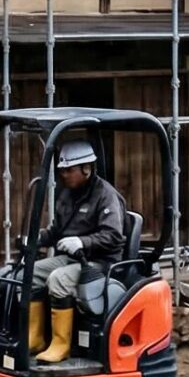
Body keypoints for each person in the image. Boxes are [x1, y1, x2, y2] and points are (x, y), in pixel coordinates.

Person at [29, 139, 127, 364]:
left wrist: (82, 242)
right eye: (62, 170)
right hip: (73, 259)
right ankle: (35, 339)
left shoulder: (106, 195)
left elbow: (113, 236)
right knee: (32, 273)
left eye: (69, 170)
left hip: (102, 263)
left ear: (86, 168)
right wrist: (35, 239)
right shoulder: (68, 195)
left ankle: (60, 345)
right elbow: (56, 231)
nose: (64, 175)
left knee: (58, 280)